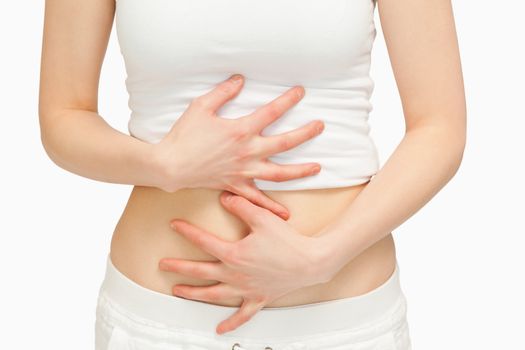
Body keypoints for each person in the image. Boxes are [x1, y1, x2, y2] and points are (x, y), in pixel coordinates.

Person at [38, 0, 466, 349]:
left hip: (343, 323)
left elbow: (439, 127)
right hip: (159, 323)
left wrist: (322, 257)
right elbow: (63, 117)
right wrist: (165, 165)